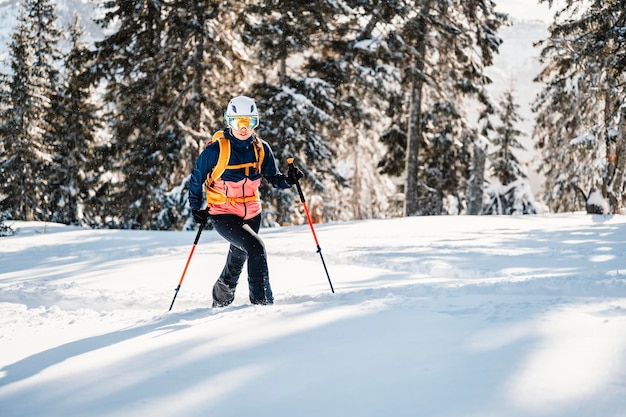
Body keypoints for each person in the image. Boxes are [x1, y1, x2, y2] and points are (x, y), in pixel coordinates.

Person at [188, 95, 302, 307]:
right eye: (237, 122)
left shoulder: (261, 148)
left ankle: (221, 298)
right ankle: (262, 305)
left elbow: (273, 178)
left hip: (252, 213)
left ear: (255, 122)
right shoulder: (215, 150)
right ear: (228, 121)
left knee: (239, 253)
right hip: (223, 213)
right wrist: (196, 208)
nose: (243, 128)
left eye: (248, 122)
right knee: (256, 247)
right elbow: (196, 179)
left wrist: (288, 180)